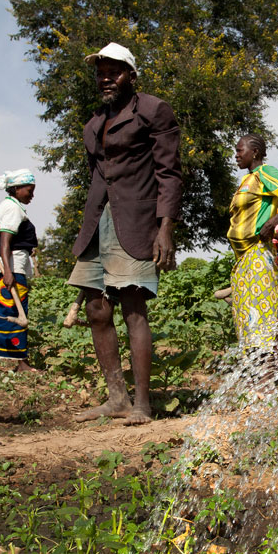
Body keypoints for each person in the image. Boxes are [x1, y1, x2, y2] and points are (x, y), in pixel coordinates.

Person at [68, 42, 182, 425]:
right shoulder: (94, 121)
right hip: (99, 219)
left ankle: (142, 404)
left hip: (135, 219)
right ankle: (116, 397)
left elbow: (169, 174)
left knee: (134, 308)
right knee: (96, 309)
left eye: (113, 71)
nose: (105, 78)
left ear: (131, 75)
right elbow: (99, 176)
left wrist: (164, 228)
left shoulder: (153, 110)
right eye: (100, 72)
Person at [227, 134, 278, 348]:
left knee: (260, 324)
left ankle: (266, 371)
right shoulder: (248, 180)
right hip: (243, 261)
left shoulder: (265, 172)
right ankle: (252, 374)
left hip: (257, 258)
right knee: (246, 324)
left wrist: (274, 223)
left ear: (254, 152)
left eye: (239, 150)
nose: (235, 155)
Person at [0, 169, 38, 373]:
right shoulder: (12, 209)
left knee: (4, 312)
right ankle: (7, 363)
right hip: (8, 268)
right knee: (7, 312)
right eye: (29, 190)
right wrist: (7, 270)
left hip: (7, 268)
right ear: (16, 189)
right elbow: (5, 239)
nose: (32, 195)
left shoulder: (11, 206)